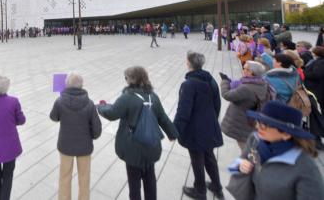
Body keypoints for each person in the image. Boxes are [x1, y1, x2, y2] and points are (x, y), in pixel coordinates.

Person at [97, 66, 178, 200]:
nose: (126, 80)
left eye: (126, 78)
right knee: (150, 179)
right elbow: (163, 117)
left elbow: (112, 113)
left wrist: (100, 107)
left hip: (132, 149)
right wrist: (172, 134)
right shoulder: (153, 97)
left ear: (131, 80)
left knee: (134, 185)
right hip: (151, 146)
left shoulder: (127, 97)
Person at [228, 101, 324, 199]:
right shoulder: (255, 140)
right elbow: (238, 162)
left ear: (286, 134)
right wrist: (240, 165)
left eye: (264, 124)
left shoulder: (305, 168)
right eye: (258, 121)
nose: (257, 127)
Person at [174, 51, 223, 200]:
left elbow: (183, 111)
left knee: (197, 159)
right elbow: (217, 104)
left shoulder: (189, 84)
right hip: (209, 125)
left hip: (195, 129)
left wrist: (174, 130)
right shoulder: (210, 79)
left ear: (189, 63)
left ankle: (200, 191)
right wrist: (211, 119)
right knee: (209, 156)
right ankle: (216, 186)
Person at [50, 73, 102, 200]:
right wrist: (93, 136)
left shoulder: (60, 101)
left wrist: (58, 104)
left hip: (65, 145)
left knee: (64, 176)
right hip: (84, 147)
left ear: (66, 84)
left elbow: (53, 117)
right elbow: (97, 129)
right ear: (82, 86)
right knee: (84, 177)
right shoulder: (89, 104)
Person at [219, 61, 273, 151]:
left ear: (251, 72)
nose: (243, 70)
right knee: (249, 146)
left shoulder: (246, 87)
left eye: (245, 68)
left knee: (246, 150)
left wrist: (224, 82)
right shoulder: (262, 83)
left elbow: (227, 95)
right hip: (252, 120)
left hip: (243, 122)